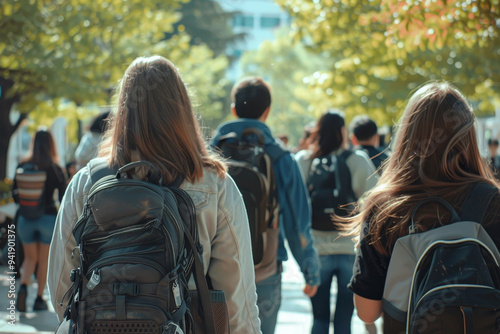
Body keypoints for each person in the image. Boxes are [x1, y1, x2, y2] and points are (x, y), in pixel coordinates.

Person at [47, 56, 261, 333]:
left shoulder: (87, 181)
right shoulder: (215, 185)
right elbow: (236, 296)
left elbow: (61, 284)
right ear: (182, 109)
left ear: (122, 110)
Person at [347, 82, 500, 328]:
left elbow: (367, 312)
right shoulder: (493, 201)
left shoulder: (386, 207)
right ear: (468, 136)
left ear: (407, 135)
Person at [211, 77, 320, 334]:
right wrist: (309, 270)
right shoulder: (280, 157)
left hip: (212, 272)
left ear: (233, 109)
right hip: (265, 269)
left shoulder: (208, 153)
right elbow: (298, 223)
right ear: (267, 111)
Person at [294, 110, 378, 334]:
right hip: (349, 249)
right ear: (343, 131)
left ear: (317, 131)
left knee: (319, 319)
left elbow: (295, 205)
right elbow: (375, 202)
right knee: (343, 321)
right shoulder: (357, 160)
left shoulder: (303, 160)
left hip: (316, 250)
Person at [12, 129, 67, 312]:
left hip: (25, 220)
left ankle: (23, 287)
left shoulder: (23, 165)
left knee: (29, 258)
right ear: (51, 144)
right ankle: (38, 300)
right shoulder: (56, 168)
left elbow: (15, 196)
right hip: (48, 219)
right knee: (43, 261)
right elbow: (63, 196)